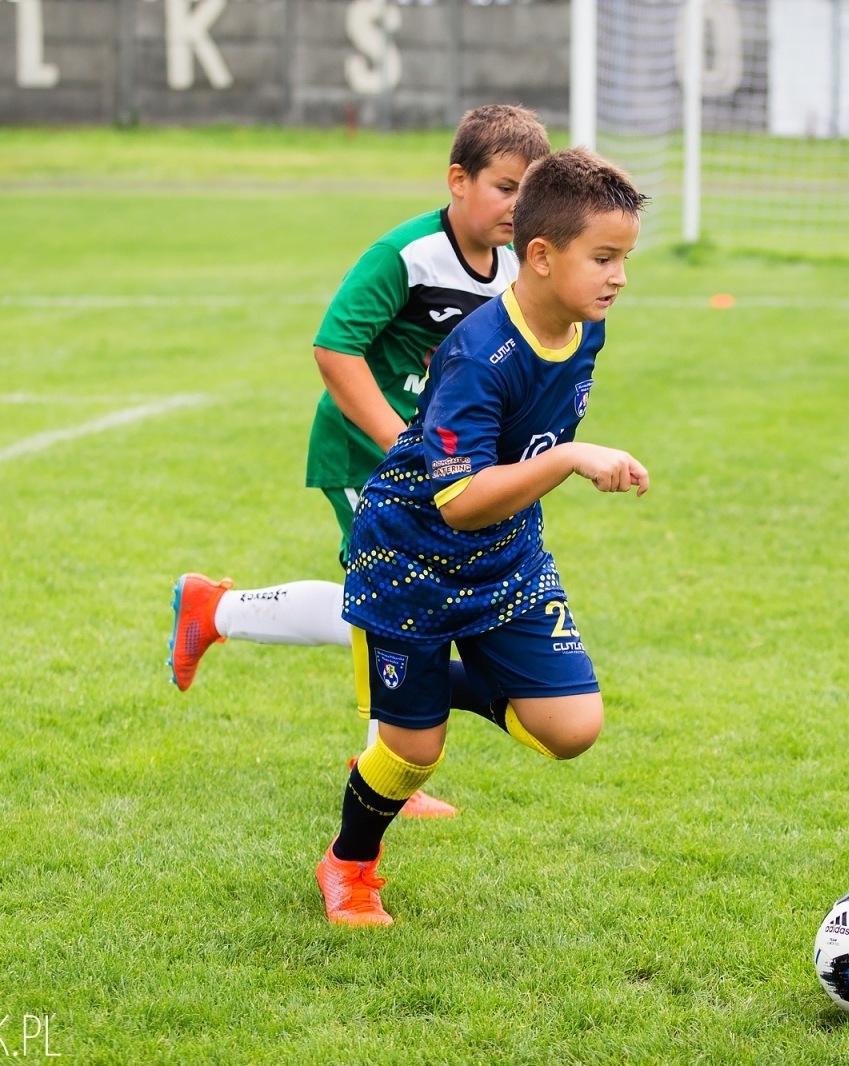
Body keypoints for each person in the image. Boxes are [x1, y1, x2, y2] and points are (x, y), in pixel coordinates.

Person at [168, 105, 553, 819]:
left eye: (526, 194)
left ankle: (214, 611)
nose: (515, 206)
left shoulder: (511, 269)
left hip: (431, 463)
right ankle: (383, 763)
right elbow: (334, 348)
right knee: (388, 602)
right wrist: (401, 444)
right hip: (363, 454)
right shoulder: (407, 255)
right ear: (458, 180)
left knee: (383, 603)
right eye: (504, 188)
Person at [314, 147, 650, 927]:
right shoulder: (477, 353)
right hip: (412, 559)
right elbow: (460, 501)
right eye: (603, 258)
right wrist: (568, 459)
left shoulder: (583, 327)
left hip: (506, 554)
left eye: (625, 260)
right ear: (542, 256)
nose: (619, 278)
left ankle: (426, 685)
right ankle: (349, 866)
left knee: (571, 729)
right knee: (412, 751)